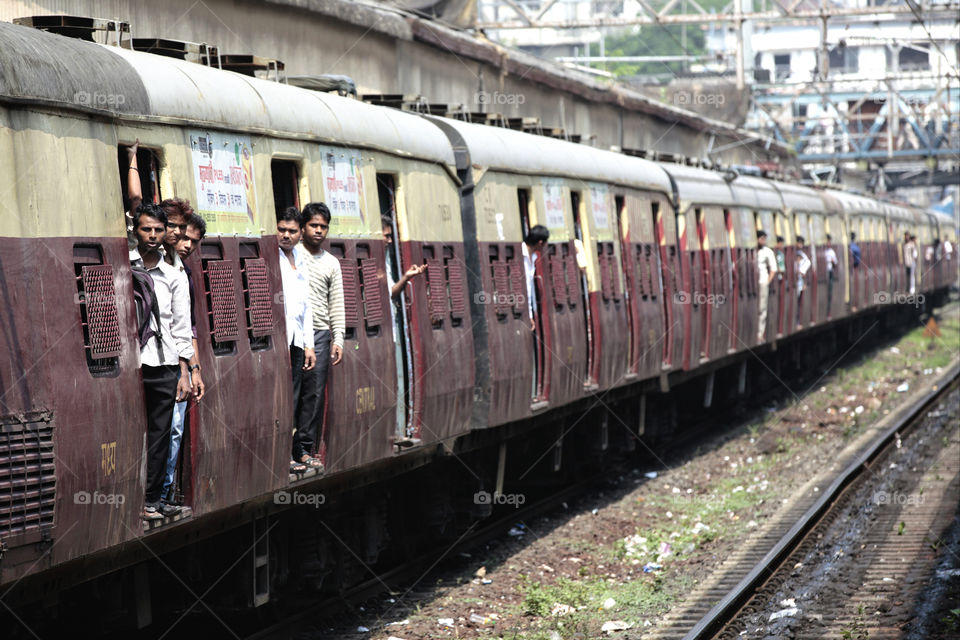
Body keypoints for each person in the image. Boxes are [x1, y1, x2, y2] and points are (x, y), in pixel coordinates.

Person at [130, 204, 193, 520]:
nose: (152, 236)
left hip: (165, 362)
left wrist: (185, 371)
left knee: (160, 433)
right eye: (146, 229)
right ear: (135, 230)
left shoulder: (174, 276)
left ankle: (152, 499)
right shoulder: (124, 267)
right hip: (133, 364)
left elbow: (182, 326)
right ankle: (135, 497)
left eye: (157, 230)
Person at [161, 212, 206, 504]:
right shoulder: (154, 266)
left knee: (175, 428)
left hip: (179, 360)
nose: (187, 244)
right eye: (184, 236)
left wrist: (194, 368)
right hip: (158, 360)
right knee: (164, 429)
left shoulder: (183, 272)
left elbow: (187, 325)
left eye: (194, 241)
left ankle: (164, 491)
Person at [297, 202, 345, 471]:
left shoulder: (331, 263)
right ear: (303, 227)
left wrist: (337, 339)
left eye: (323, 227)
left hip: (320, 334)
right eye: (314, 225)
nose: (318, 231)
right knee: (295, 392)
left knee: (314, 393)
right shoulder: (292, 255)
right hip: (295, 335)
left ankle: (304, 448)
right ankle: (292, 449)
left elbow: (336, 303)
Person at [278, 208, 317, 473]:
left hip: (297, 340)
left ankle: (295, 450)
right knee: (283, 399)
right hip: (280, 340)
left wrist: (309, 344)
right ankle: (284, 455)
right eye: (282, 230)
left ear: (300, 233)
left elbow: (307, 307)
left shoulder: (300, 260)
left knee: (297, 398)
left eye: (292, 231)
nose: (286, 235)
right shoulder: (273, 258)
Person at [382, 215, 424, 440]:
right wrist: (406, 277)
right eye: (386, 235)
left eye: (391, 236)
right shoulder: (379, 260)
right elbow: (390, 291)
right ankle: (396, 430)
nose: (389, 240)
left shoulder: (387, 259)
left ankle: (398, 429)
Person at [522, 225, 549, 332]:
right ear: (540, 243)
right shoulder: (520, 252)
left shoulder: (533, 257)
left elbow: (528, 288)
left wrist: (529, 313)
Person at [756, 230, 778, 342]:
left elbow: (773, 268)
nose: (763, 241)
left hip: (763, 281)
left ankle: (760, 333)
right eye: (761, 238)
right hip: (754, 282)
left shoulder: (768, 252)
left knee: (762, 308)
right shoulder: (753, 251)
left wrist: (767, 281)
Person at [795, 235, 811, 328]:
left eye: (801, 243)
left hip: (800, 280)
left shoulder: (801, 254)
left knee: (799, 300)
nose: (800, 244)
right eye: (799, 242)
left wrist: (802, 272)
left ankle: (798, 321)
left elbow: (807, 263)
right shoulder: (795, 253)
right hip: (796, 280)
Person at [824, 234, 838, 315]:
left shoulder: (832, 252)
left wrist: (832, 262)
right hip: (825, 271)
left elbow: (835, 263)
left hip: (830, 272)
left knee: (830, 290)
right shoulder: (824, 251)